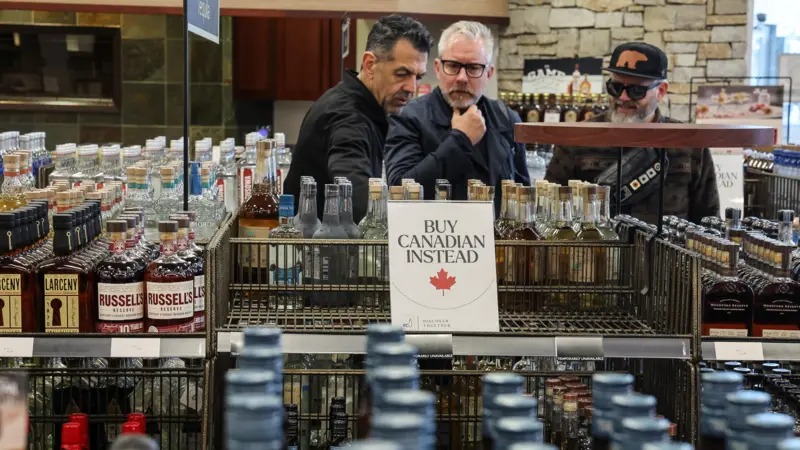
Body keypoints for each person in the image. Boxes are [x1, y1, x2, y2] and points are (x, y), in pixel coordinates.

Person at [545, 42, 719, 224]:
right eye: (616, 88)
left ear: (660, 91)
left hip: (667, 250)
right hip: (595, 250)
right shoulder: (576, 139)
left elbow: (708, 222)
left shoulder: (689, 145)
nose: (623, 98)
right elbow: (550, 212)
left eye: (637, 91)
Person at [283, 15, 432, 222]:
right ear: (370, 64)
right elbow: (356, 191)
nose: (411, 88)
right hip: (318, 248)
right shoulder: (348, 116)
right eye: (402, 74)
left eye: (418, 77)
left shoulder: (361, 104)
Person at [384, 21, 530, 214]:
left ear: (489, 73)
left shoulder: (507, 119)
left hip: (497, 241)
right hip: (433, 239)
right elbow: (400, 190)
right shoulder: (409, 117)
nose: (462, 78)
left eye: (473, 68)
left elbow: (523, 195)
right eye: (453, 66)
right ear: (437, 68)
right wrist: (460, 140)